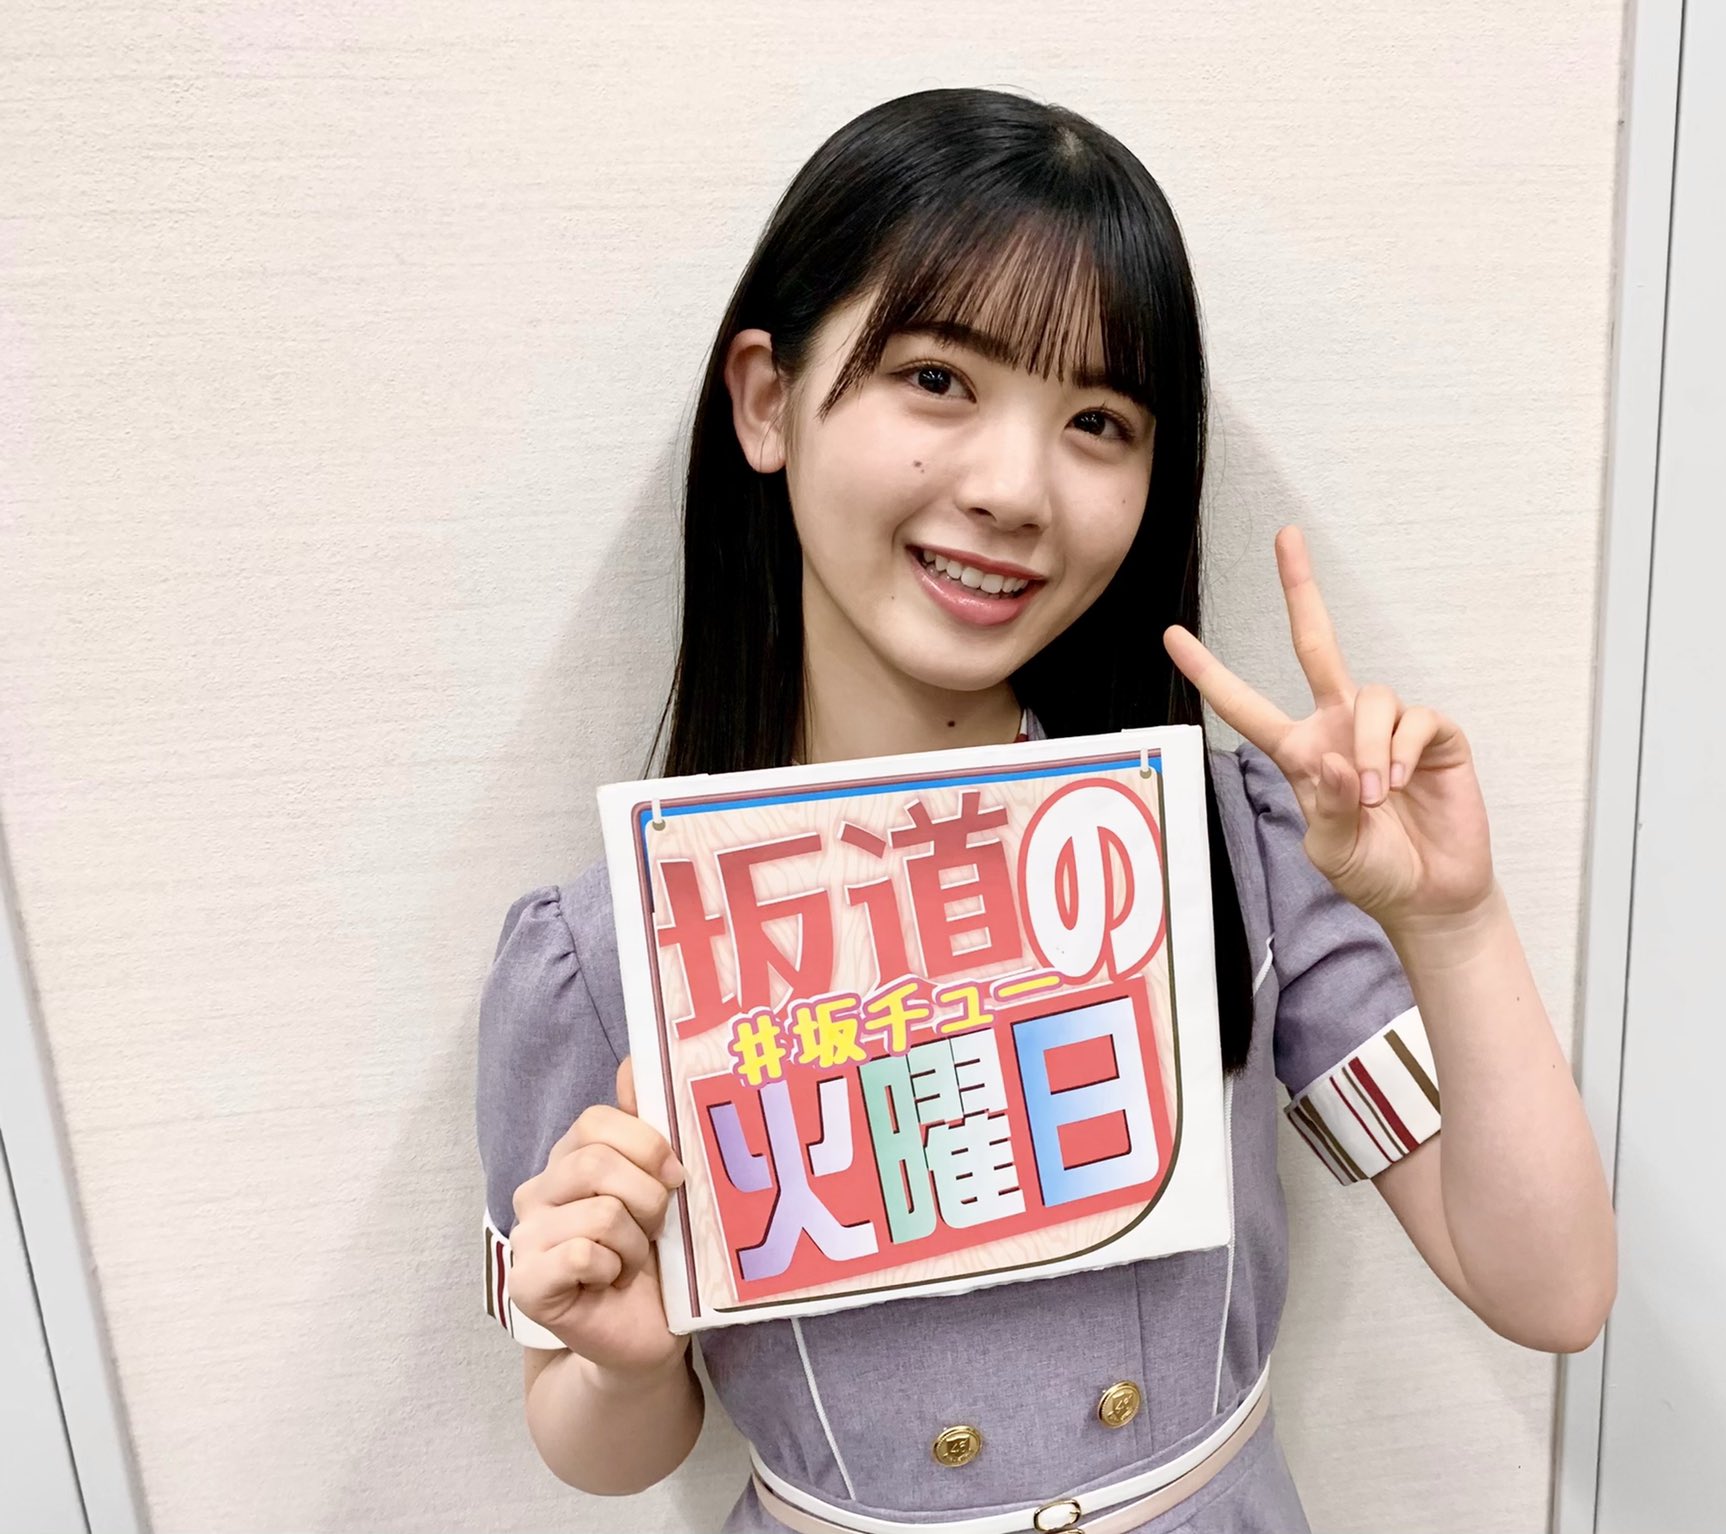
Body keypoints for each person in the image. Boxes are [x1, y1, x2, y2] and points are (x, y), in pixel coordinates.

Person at [475, 86, 1615, 1533]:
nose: (1016, 490)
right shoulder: (601, 952)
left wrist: (1452, 921)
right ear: (766, 400)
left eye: (1096, 419)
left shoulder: (1230, 849)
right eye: (937, 378)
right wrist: (626, 1359)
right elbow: (599, 1442)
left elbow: (1553, 1291)